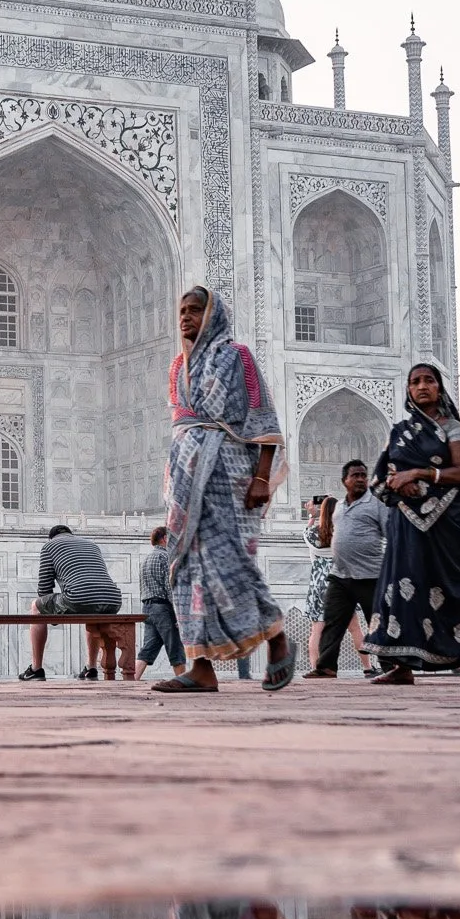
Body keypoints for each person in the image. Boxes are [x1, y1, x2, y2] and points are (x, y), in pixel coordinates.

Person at [157, 286, 293, 693]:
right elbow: (182, 424)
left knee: (231, 564)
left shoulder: (237, 357)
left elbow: (262, 418)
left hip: (229, 475)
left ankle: (277, 636)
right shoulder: (178, 366)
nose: (186, 318)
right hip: (186, 479)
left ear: (213, 314)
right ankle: (201, 666)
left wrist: (262, 478)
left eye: (195, 310)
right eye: (182, 311)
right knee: (187, 569)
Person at [365, 362, 460, 685]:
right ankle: (402, 666)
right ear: (408, 390)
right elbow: (381, 476)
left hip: (447, 522)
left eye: (429, 380)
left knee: (454, 585)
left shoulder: (451, 427)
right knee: (404, 585)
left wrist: (418, 474)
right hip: (406, 522)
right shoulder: (399, 432)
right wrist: (399, 483)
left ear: (439, 387)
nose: (422, 386)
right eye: (415, 382)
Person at [305, 458, 384, 677]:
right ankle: (326, 666)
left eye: (363, 475)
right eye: (355, 475)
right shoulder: (339, 507)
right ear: (344, 481)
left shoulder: (376, 505)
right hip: (340, 576)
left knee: (377, 622)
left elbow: (391, 532)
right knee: (333, 623)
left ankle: (390, 666)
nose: (360, 479)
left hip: (367, 574)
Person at [20, 523, 122, 682]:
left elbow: (44, 588)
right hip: (112, 599)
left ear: (51, 537)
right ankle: (91, 668)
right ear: (71, 534)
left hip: (78, 597)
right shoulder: (92, 545)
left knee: (36, 607)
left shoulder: (49, 546)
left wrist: (51, 615)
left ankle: (36, 669)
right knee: (91, 613)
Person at [135, 524, 187, 678]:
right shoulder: (165, 557)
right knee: (175, 648)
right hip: (163, 608)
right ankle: (183, 682)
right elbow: (169, 587)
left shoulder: (146, 559)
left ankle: (131, 679)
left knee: (148, 649)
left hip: (147, 608)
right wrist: (178, 613)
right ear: (165, 538)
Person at [302, 492, 333, 669]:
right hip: (339, 583)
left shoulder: (312, 534)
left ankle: (315, 668)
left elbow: (307, 532)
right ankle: (367, 667)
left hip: (318, 584)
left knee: (316, 631)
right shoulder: (340, 533)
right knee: (354, 628)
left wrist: (312, 516)